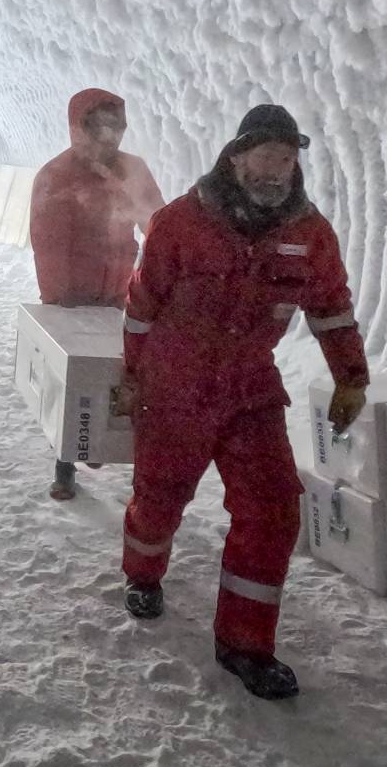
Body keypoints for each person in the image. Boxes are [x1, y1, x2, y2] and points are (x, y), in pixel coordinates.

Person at [113, 104, 368, 700]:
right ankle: (143, 574)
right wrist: (132, 375)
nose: (275, 170)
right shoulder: (181, 222)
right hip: (176, 386)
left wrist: (351, 377)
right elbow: (143, 305)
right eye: (264, 156)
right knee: (160, 495)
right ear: (235, 156)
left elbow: (331, 308)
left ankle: (245, 645)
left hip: (249, 388)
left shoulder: (310, 235)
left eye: (286, 158)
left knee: (274, 508)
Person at [28, 87, 167, 501]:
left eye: (116, 125)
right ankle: (65, 463)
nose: (111, 135)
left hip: (122, 292)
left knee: (129, 378)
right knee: (76, 382)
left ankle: (129, 462)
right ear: (80, 127)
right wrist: (59, 299)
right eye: (101, 125)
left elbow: (158, 225)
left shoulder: (133, 171)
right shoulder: (56, 176)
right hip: (72, 298)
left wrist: (161, 276)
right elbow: (48, 243)